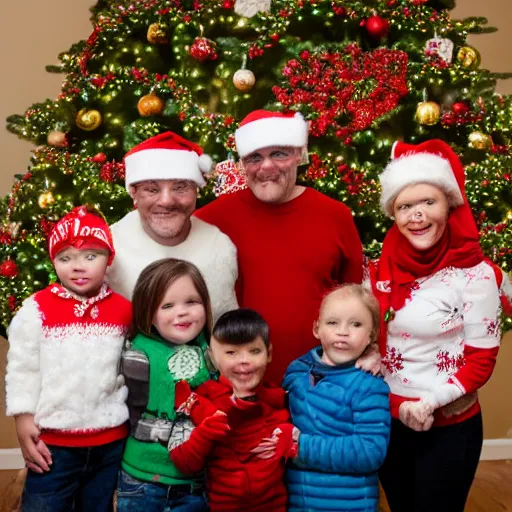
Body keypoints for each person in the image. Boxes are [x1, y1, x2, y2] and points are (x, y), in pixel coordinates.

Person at [371, 139, 503, 512]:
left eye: (429, 202)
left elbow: (481, 361)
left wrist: (429, 403)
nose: (417, 215)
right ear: (393, 213)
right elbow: (369, 329)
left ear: (449, 204)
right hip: (390, 420)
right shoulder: (378, 270)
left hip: (447, 425)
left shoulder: (475, 274)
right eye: (406, 206)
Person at [195, 110, 364, 382]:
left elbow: (357, 302)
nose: (266, 167)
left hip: (322, 385)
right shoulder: (210, 220)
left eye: (279, 154)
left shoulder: (335, 216)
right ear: (242, 164)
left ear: (299, 154)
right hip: (236, 389)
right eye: (255, 158)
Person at [5, 205, 132, 512]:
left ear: (108, 260)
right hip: (54, 447)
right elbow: (22, 367)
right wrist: (23, 417)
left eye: (91, 256)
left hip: (110, 444)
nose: (78, 266)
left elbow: (133, 367)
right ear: (54, 262)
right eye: (66, 258)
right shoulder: (37, 309)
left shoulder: (124, 310)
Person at [117, 258, 217, 512]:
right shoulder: (140, 354)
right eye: (168, 305)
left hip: (195, 484)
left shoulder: (211, 350)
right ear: (149, 314)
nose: (181, 312)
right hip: (144, 480)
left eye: (191, 302)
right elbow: (130, 412)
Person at [169, 308, 295, 512]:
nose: (243, 361)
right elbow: (184, 463)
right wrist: (204, 434)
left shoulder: (278, 400)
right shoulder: (202, 400)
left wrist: (290, 438)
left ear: (269, 354)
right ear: (212, 357)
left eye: (254, 351)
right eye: (231, 353)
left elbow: (295, 441)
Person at [281, 284, 390, 512]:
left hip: (350, 505)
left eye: (356, 324)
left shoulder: (369, 386)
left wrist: (300, 447)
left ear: (371, 335)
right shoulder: (296, 372)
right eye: (333, 323)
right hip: (298, 502)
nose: (343, 331)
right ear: (316, 328)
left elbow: (370, 451)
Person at [108, 130, 238, 321]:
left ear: (196, 190)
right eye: (152, 190)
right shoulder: (108, 247)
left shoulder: (218, 245)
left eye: (180, 187)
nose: (167, 201)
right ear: (134, 192)